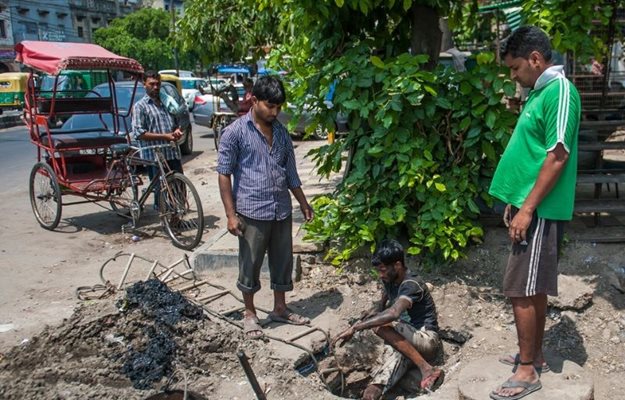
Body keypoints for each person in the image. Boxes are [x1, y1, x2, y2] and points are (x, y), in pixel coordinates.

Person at [488, 26, 580, 400]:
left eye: (514, 68)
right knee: (530, 287)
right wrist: (517, 199)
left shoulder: (560, 92)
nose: (513, 76)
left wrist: (528, 208)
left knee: (520, 290)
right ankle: (535, 356)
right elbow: (531, 154)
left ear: (536, 60)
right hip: (531, 206)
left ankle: (526, 371)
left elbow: (557, 154)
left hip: (539, 210)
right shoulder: (541, 93)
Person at [217, 76, 314, 339]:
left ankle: (280, 308)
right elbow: (224, 173)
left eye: (279, 107)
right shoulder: (235, 132)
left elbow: (291, 172)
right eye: (270, 106)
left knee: (282, 260)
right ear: (254, 100)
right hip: (251, 209)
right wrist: (230, 215)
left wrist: (303, 204)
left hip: (280, 208)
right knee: (250, 262)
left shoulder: (281, 132)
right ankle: (249, 313)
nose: (275, 112)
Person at [333, 239, 444, 399]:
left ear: (397, 265)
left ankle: (426, 368)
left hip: (426, 340)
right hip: (406, 344)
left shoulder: (412, 284)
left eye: (383, 270)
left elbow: (393, 313)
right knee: (373, 389)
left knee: (380, 325)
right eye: (379, 271)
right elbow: (384, 300)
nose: (381, 275)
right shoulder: (390, 279)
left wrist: (356, 328)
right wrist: (375, 310)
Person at [131, 71, 184, 208]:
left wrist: (177, 130)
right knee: (161, 190)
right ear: (145, 85)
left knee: (179, 187)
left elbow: (177, 122)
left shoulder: (167, 102)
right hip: (154, 156)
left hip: (171, 152)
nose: (155, 87)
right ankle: (165, 219)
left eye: (158, 84)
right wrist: (165, 136)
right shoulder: (140, 106)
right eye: (152, 84)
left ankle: (176, 217)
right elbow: (139, 133)